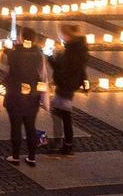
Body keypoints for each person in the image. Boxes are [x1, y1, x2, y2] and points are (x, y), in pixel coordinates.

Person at [4, 27, 45, 166]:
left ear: (21, 38)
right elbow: (42, 74)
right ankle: (31, 157)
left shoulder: (14, 53)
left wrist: (9, 49)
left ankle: (15, 156)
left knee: (15, 126)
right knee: (30, 126)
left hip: (15, 95)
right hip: (32, 96)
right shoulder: (38, 54)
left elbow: (6, 64)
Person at [46, 22, 87, 156]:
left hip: (66, 86)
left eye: (62, 34)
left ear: (68, 35)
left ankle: (64, 144)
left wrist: (50, 57)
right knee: (62, 114)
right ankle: (66, 143)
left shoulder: (72, 51)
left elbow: (61, 69)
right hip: (69, 85)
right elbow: (81, 68)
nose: (61, 37)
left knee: (61, 115)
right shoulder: (77, 48)